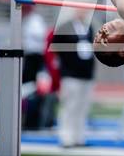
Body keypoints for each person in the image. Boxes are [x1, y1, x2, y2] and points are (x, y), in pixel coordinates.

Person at [51, 9, 95, 148]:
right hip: (70, 74)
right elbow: (55, 47)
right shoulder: (65, 27)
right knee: (69, 106)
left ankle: (79, 138)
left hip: (86, 74)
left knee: (82, 108)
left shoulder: (89, 27)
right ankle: (66, 138)